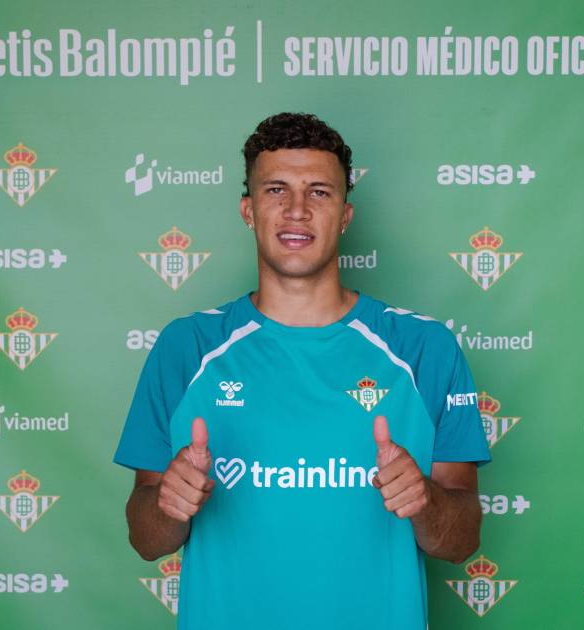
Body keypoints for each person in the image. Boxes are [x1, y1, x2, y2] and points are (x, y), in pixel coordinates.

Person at [114, 112, 491, 629]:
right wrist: (167, 505)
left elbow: (463, 541)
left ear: (345, 215)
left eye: (319, 192)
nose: (296, 210)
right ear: (248, 210)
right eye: (276, 190)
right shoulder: (186, 347)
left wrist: (425, 502)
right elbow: (145, 539)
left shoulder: (424, 348)